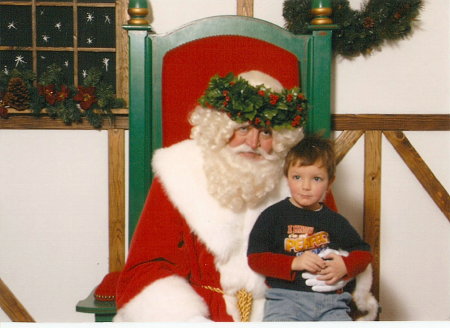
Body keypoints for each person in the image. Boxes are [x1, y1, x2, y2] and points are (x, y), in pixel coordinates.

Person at [113, 71, 362, 322]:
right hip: (205, 313)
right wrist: (189, 320)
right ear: (221, 129)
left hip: (286, 309)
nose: (253, 142)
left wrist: (334, 272)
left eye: (265, 132)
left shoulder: (299, 179)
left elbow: (341, 248)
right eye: (243, 128)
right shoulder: (179, 173)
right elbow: (147, 267)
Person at [247, 136, 377, 321]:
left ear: (329, 183)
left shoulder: (334, 220)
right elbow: (256, 258)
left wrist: (344, 265)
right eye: (297, 177)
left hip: (332, 303)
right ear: (287, 178)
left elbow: (363, 253)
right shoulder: (273, 216)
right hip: (285, 302)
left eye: (316, 179)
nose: (305, 186)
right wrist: (294, 263)